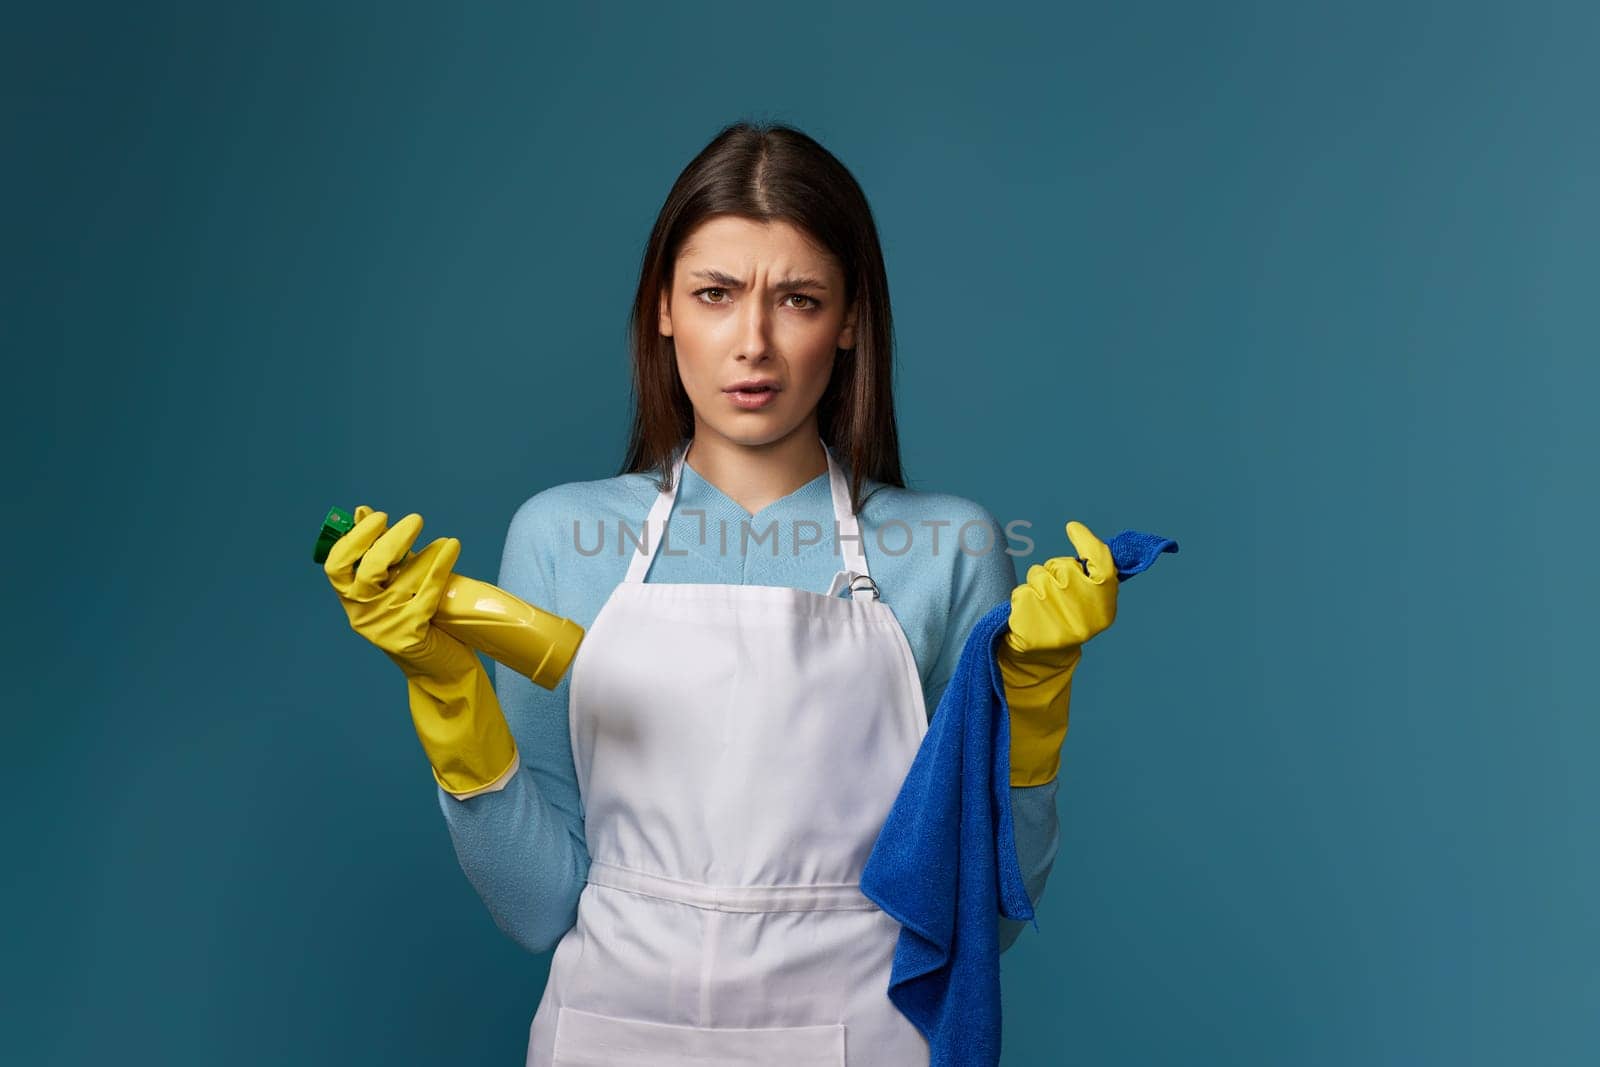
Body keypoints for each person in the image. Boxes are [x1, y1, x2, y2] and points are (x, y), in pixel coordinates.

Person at [325, 121, 1117, 1066]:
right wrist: (448, 693)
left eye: (799, 299)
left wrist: (1033, 713)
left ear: (851, 320)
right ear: (663, 309)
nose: (754, 343)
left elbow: (988, 923)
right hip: (608, 1039)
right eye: (715, 293)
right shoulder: (562, 537)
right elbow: (537, 906)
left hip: (854, 1039)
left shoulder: (943, 547)